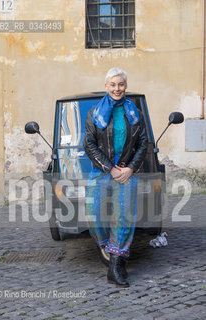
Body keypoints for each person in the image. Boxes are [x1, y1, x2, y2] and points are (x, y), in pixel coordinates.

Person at [83, 68, 148, 287]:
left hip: (127, 171)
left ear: (125, 86)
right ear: (106, 86)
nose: (117, 88)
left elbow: (143, 143)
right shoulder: (94, 112)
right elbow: (89, 144)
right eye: (113, 84)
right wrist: (110, 168)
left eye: (121, 84)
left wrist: (129, 168)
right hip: (102, 170)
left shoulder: (134, 112)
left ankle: (115, 266)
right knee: (93, 214)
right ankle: (108, 248)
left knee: (124, 216)